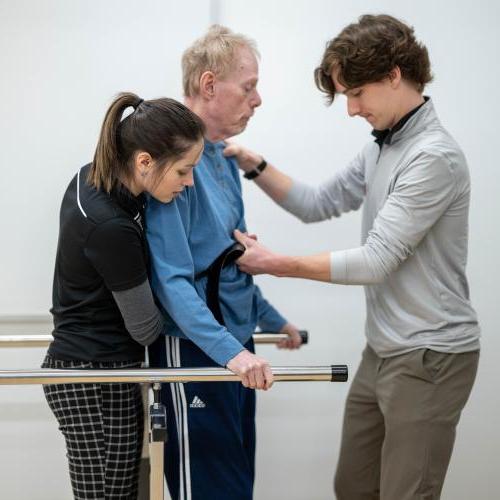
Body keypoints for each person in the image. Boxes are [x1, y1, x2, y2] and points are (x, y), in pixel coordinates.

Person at [226, 14, 480, 500]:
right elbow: (315, 203)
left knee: (407, 493)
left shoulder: (432, 157)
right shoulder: (382, 149)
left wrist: (276, 263)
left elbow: (375, 261)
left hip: (430, 357)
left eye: (356, 93)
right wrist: (251, 162)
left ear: (394, 75)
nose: (351, 109)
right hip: (383, 350)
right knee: (354, 488)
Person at [146, 25, 302, 500]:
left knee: (236, 485)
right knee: (210, 490)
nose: (256, 101)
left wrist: (272, 320)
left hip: (236, 340)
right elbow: (171, 281)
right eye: (248, 86)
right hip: (196, 344)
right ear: (209, 85)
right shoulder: (175, 167)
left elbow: (232, 257)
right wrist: (231, 353)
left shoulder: (223, 160)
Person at [42, 92, 205, 500]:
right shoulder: (111, 227)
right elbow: (146, 328)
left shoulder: (88, 177)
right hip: (95, 376)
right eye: (184, 172)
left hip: (83, 367)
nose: (188, 184)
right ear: (145, 161)